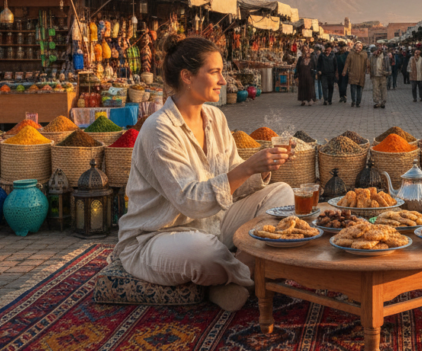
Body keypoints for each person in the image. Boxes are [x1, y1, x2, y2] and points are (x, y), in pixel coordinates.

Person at [116, 35, 295, 312]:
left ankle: (230, 276)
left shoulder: (215, 118)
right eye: (214, 72)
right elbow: (190, 201)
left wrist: (262, 169)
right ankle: (251, 273)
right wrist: (248, 167)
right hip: (159, 236)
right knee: (204, 252)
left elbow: (233, 180)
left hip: (214, 222)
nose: (223, 80)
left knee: (282, 194)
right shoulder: (159, 129)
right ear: (187, 76)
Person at [345, 42, 369, 107]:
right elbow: (347, 63)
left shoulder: (364, 54)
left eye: (360, 46)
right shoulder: (351, 54)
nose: (359, 47)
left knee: (360, 88)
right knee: (353, 88)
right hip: (353, 74)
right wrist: (344, 71)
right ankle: (353, 101)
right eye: (357, 46)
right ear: (355, 46)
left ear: (362, 47)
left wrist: (368, 69)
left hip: (361, 74)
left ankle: (358, 102)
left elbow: (367, 63)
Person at [371, 44, 390, 109]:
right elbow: (371, 65)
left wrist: (387, 72)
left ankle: (383, 102)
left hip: (382, 75)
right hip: (375, 75)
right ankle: (377, 102)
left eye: (374, 51)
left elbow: (388, 65)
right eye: (373, 52)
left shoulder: (384, 56)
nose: (374, 53)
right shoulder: (372, 57)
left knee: (383, 89)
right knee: (376, 89)